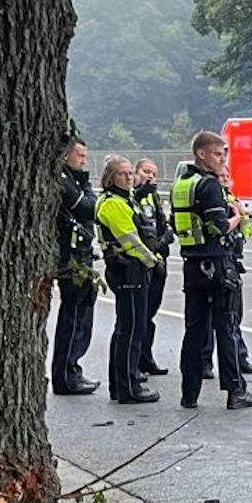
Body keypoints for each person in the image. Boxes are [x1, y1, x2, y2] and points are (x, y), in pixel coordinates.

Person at [172, 131, 252, 409]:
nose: (221, 158)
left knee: (194, 331)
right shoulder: (209, 185)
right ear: (201, 153)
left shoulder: (182, 183)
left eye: (223, 154)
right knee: (226, 327)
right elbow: (220, 226)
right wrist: (237, 215)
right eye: (217, 153)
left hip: (192, 265)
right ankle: (236, 391)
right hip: (217, 265)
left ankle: (189, 394)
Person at [94, 155, 162, 404]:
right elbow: (131, 240)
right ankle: (128, 386)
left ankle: (122, 383)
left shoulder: (124, 199)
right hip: (128, 269)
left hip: (128, 269)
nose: (129, 177)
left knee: (126, 327)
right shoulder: (112, 203)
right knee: (132, 329)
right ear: (111, 177)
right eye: (123, 174)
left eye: (129, 173)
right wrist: (152, 261)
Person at [52, 136, 99, 395]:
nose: (83, 161)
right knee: (73, 318)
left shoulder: (76, 181)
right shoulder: (63, 182)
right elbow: (88, 207)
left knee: (82, 315)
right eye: (80, 156)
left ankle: (73, 369)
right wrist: (84, 186)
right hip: (71, 258)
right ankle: (66, 374)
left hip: (82, 255)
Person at [218, 169, 252, 379]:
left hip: (233, 260)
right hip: (222, 263)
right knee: (227, 318)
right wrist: (237, 215)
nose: (226, 180)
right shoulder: (220, 201)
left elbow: (243, 230)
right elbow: (225, 227)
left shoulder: (233, 200)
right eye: (221, 177)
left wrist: (241, 215)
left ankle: (240, 357)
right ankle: (235, 360)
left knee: (234, 315)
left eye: (227, 177)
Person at [133, 158, 172, 377]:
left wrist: (163, 239)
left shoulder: (154, 197)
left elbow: (164, 226)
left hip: (159, 260)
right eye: (146, 171)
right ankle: (135, 361)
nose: (150, 176)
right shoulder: (133, 196)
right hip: (142, 261)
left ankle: (146, 358)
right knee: (139, 315)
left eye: (154, 173)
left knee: (150, 314)